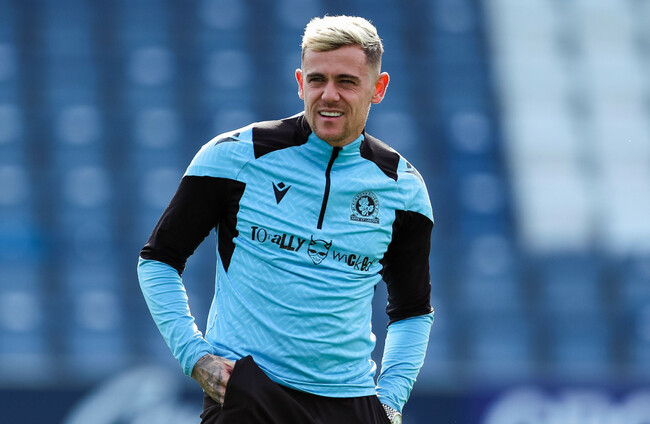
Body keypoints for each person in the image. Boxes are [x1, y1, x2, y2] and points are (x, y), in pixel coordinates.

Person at [137, 15, 434, 424]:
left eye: (346, 82)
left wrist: (390, 403)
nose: (329, 95)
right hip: (250, 395)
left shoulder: (404, 189)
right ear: (299, 82)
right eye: (317, 80)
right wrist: (195, 357)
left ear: (378, 88)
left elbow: (412, 311)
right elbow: (159, 260)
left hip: (352, 405)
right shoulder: (235, 156)